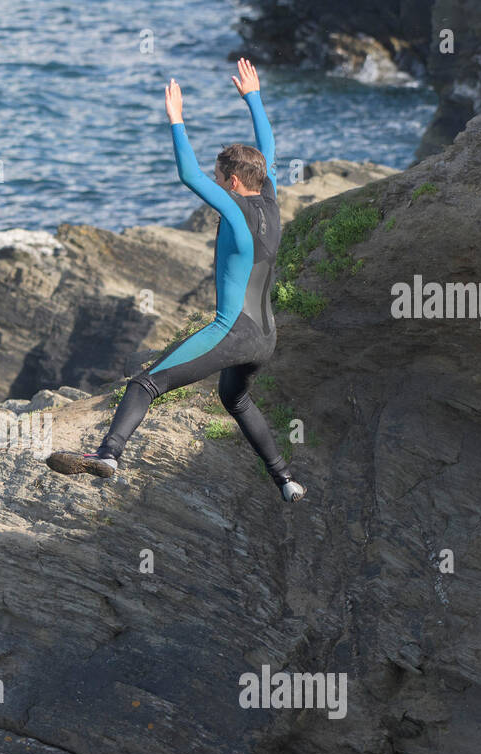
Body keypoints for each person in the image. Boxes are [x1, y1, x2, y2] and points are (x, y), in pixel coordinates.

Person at [47, 59, 306, 503]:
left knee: (145, 383)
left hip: (232, 330)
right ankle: (285, 480)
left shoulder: (235, 208)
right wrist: (253, 97)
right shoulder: (270, 198)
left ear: (235, 180)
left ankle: (109, 454)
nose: (218, 184)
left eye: (222, 178)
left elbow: (188, 175)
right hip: (266, 336)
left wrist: (176, 120)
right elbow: (268, 146)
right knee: (237, 400)